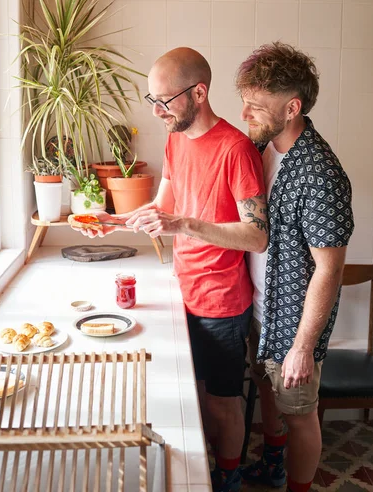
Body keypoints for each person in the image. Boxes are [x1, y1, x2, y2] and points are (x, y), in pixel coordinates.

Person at [72, 47, 268, 492]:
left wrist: (182, 224)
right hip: (184, 290)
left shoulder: (236, 149)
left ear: (199, 92)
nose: (158, 111)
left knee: (221, 404)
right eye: (152, 100)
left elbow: (256, 235)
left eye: (166, 101)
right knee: (194, 399)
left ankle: (229, 477)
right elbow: (164, 207)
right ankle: (206, 474)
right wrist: (113, 219)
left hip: (221, 300)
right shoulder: (176, 138)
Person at [236, 42, 354, 492]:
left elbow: (330, 270)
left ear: (292, 106)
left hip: (292, 322)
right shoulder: (264, 146)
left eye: (256, 104)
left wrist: (303, 347)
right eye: (243, 99)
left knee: (301, 415)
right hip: (261, 307)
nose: (245, 112)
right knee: (268, 393)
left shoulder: (320, 172)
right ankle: (271, 462)